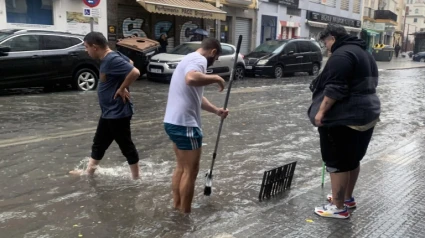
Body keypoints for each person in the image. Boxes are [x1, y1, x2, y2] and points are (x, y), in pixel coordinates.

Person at [308, 24, 381, 219]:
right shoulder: (364, 53)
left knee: (336, 161)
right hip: (367, 113)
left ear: (332, 38)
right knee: (352, 158)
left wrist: (320, 113)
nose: (327, 47)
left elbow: (335, 89)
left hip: (344, 117)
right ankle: (347, 198)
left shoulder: (341, 55)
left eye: (326, 43)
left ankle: (338, 207)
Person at [163, 38, 229, 213]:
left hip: (172, 122)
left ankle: (177, 207)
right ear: (213, 52)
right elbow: (191, 79)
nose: (213, 63)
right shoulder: (199, 60)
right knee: (191, 171)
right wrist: (216, 78)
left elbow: (196, 96)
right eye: (215, 58)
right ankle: (185, 215)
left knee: (181, 167)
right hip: (186, 125)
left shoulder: (188, 58)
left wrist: (216, 110)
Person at [70, 32, 141, 179]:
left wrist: (122, 88)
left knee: (125, 145)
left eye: (86, 47)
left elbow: (135, 71)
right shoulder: (112, 56)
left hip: (118, 112)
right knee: (99, 143)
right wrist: (122, 83)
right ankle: (89, 173)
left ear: (95, 47)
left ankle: (136, 178)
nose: (86, 50)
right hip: (109, 111)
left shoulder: (111, 59)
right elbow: (130, 63)